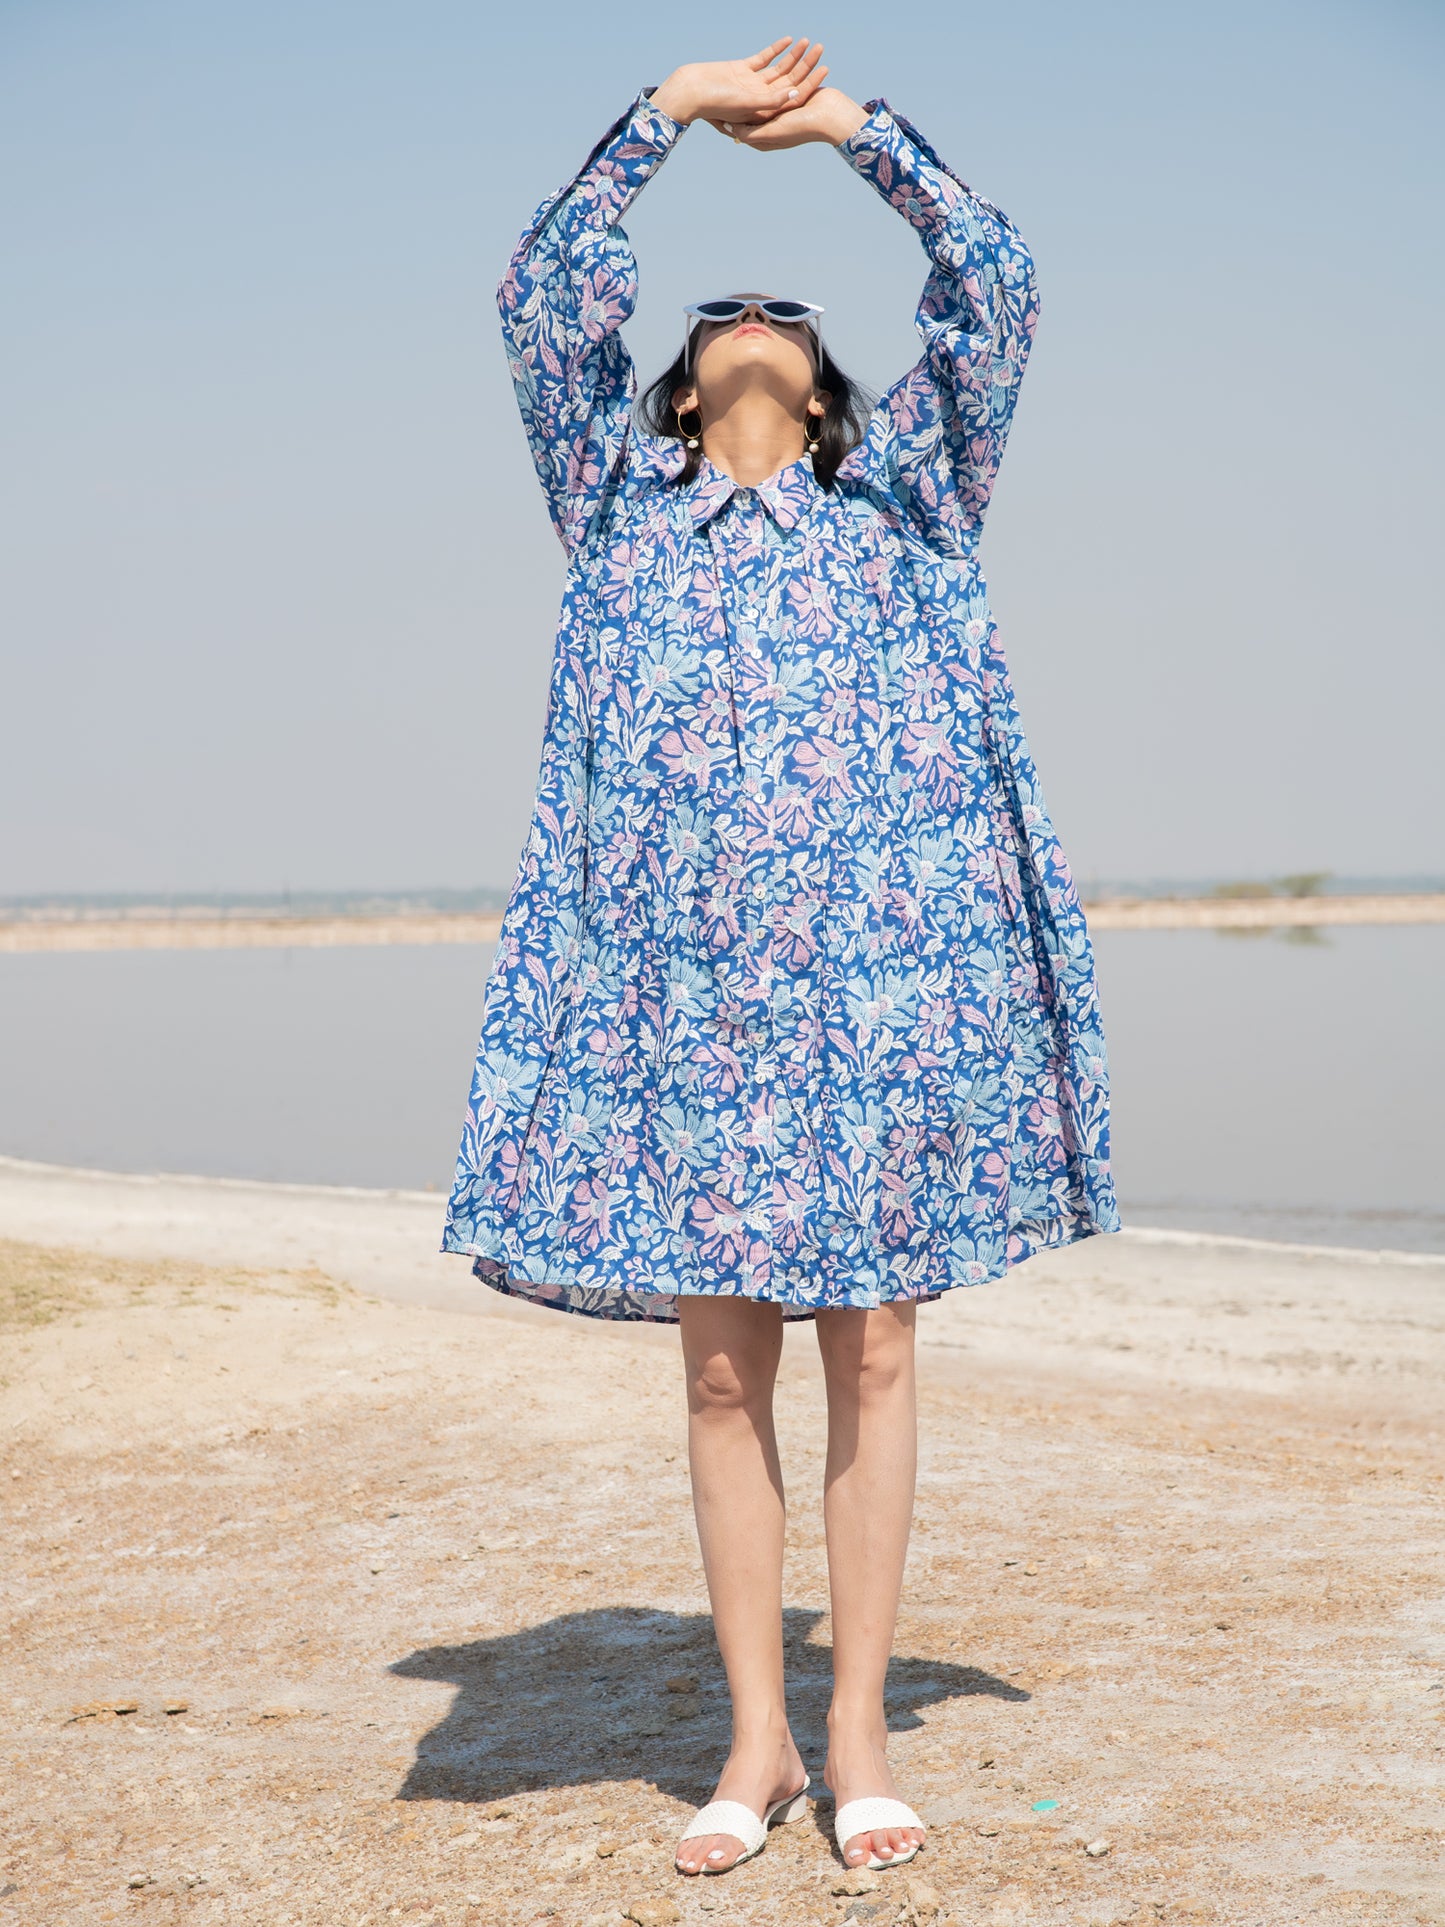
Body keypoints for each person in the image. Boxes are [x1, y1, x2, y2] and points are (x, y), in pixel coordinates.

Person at [441, 36, 1121, 1881]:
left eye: (787, 314)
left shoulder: (908, 507)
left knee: (877, 1352)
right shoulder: (612, 518)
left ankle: (857, 1727)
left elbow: (999, 288)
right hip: (677, 1018)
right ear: (679, 395)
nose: (751, 317)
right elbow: (533, 303)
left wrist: (850, 138)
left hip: (879, 1007)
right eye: (717, 314)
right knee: (722, 1371)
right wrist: (661, 118)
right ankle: (748, 1743)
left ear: (826, 395)